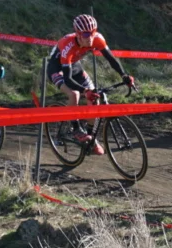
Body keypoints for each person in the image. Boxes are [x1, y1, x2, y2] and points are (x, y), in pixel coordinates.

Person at [45, 14, 136, 152]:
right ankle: (76, 129)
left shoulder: (97, 39)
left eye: (93, 32)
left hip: (75, 65)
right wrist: (84, 91)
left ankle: (89, 137)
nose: (90, 37)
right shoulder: (68, 45)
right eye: (86, 34)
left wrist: (124, 75)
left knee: (95, 98)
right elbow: (68, 78)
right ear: (78, 34)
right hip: (58, 68)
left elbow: (111, 59)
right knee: (74, 94)